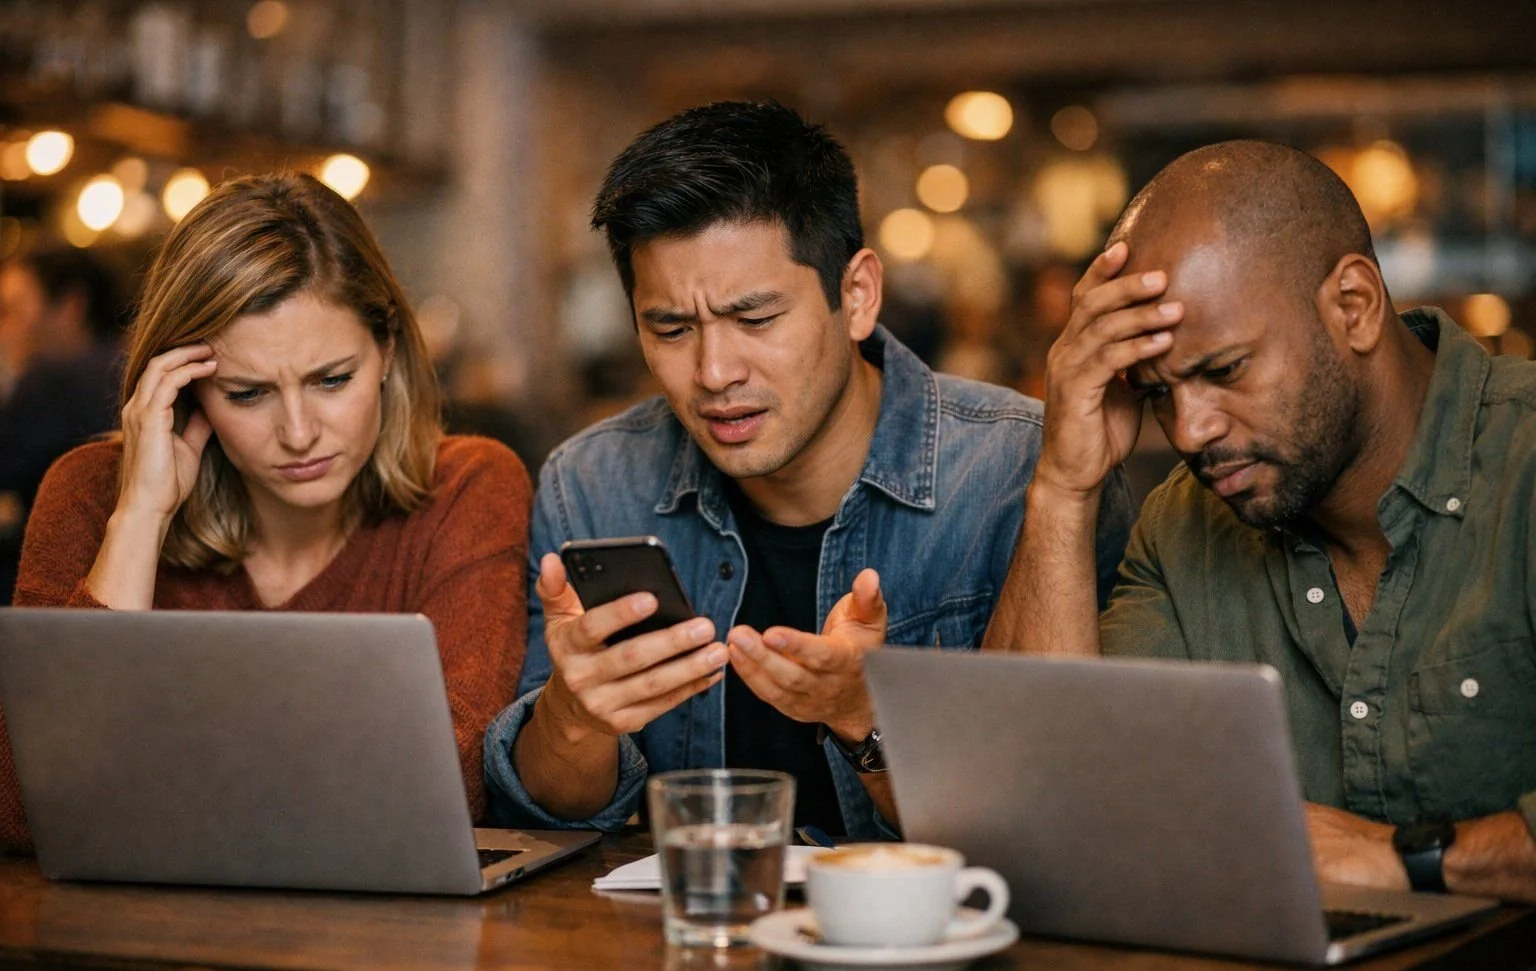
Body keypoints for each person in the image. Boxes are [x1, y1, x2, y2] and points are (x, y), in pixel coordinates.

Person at [483, 101, 1133, 839]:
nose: (714, 372)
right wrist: (573, 718)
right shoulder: (593, 483)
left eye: (756, 320)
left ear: (856, 296)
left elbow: (1061, 828)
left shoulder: (1015, 470)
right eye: (670, 328)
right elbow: (541, 818)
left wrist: (864, 718)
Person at [985, 140, 1536, 910]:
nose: (1190, 430)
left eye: (1225, 370)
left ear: (1354, 306)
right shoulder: (1181, 525)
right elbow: (1045, 818)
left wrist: (1407, 860)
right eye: (1155, 394)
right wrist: (1063, 486)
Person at [1, 172, 530, 853]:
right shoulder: (90, 493)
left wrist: (147, 776)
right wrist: (138, 519)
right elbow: (24, 812)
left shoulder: (467, 487)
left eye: (332, 380)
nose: (300, 432)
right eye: (247, 394)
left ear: (387, 351)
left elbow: (450, 788)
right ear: (185, 392)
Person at [0, 247, 125, 604]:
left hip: (62, 579)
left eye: (13, 310)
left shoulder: (52, 378)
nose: (4, 325)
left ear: (70, 306)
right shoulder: (128, 365)